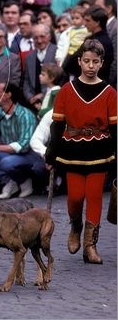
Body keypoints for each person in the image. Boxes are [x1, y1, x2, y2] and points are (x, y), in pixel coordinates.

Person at [45, 39, 117, 264]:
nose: (90, 66)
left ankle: (90, 245)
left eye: (95, 61)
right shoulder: (66, 91)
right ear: (79, 61)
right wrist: (51, 154)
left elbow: (115, 128)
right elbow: (57, 126)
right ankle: (75, 225)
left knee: (94, 196)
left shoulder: (109, 93)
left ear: (102, 63)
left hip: (100, 150)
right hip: (72, 149)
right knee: (75, 196)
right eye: (86, 61)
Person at [0, 82, 38, 199]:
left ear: (8, 95)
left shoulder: (25, 114)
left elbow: (24, 145)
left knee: (7, 162)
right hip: (8, 152)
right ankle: (9, 181)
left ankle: (24, 181)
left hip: (29, 154)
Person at [22, 23, 57, 108]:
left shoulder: (57, 52)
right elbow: (26, 81)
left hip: (53, 100)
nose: (39, 41)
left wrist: (43, 95)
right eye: (35, 38)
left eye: (42, 36)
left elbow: (61, 78)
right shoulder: (29, 57)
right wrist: (30, 97)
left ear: (49, 36)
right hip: (33, 102)